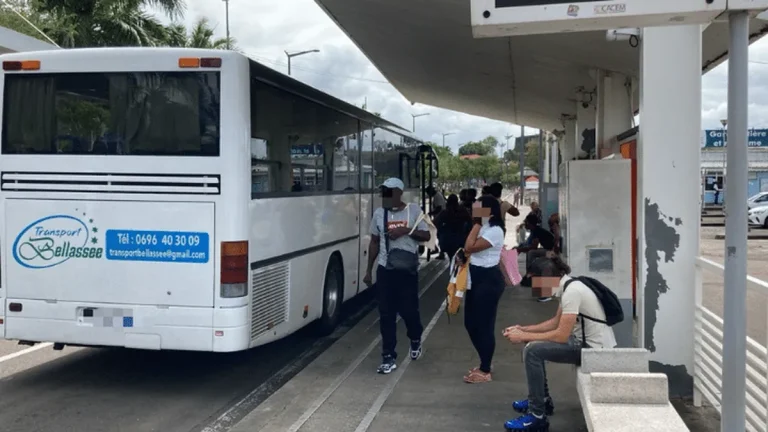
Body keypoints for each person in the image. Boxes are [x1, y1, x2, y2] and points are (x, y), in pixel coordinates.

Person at [502, 255, 616, 431]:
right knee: (531, 345)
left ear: (547, 278)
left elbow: (561, 336)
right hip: (583, 342)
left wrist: (524, 337)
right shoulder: (568, 286)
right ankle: (542, 400)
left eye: (536, 282)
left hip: (592, 349)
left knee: (533, 350)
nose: (535, 288)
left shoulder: (572, 292)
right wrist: (523, 330)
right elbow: (555, 322)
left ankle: (537, 415)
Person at [363, 177, 431, 374]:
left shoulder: (414, 211)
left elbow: (426, 236)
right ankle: (388, 356)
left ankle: (415, 337)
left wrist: (406, 231)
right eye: (383, 192)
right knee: (386, 314)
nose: (385, 196)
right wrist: (369, 270)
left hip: (407, 271)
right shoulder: (379, 214)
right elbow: (374, 242)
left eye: (389, 192)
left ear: (399, 193)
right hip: (386, 270)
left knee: (409, 311)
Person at [461, 196, 507, 384]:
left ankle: (485, 369)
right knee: (470, 323)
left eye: (478, 209)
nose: (474, 212)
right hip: (475, 278)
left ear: (490, 211)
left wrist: (477, 224)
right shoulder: (485, 227)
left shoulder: (495, 230)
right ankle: (484, 360)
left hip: (489, 280)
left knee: (485, 325)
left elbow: (469, 246)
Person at [516, 214, 556, 302]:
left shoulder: (537, 231)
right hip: (548, 250)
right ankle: (530, 274)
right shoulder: (535, 230)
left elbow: (533, 246)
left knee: (532, 253)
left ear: (530, 223)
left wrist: (520, 249)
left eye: (526, 222)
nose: (525, 224)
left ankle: (530, 275)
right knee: (532, 254)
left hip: (550, 251)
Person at [434, 194, 472, 260]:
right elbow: (470, 222)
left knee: (451, 256)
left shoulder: (444, 212)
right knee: (460, 258)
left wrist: (440, 231)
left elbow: (435, 223)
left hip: (447, 238)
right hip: (461, 238)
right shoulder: (463, 211)